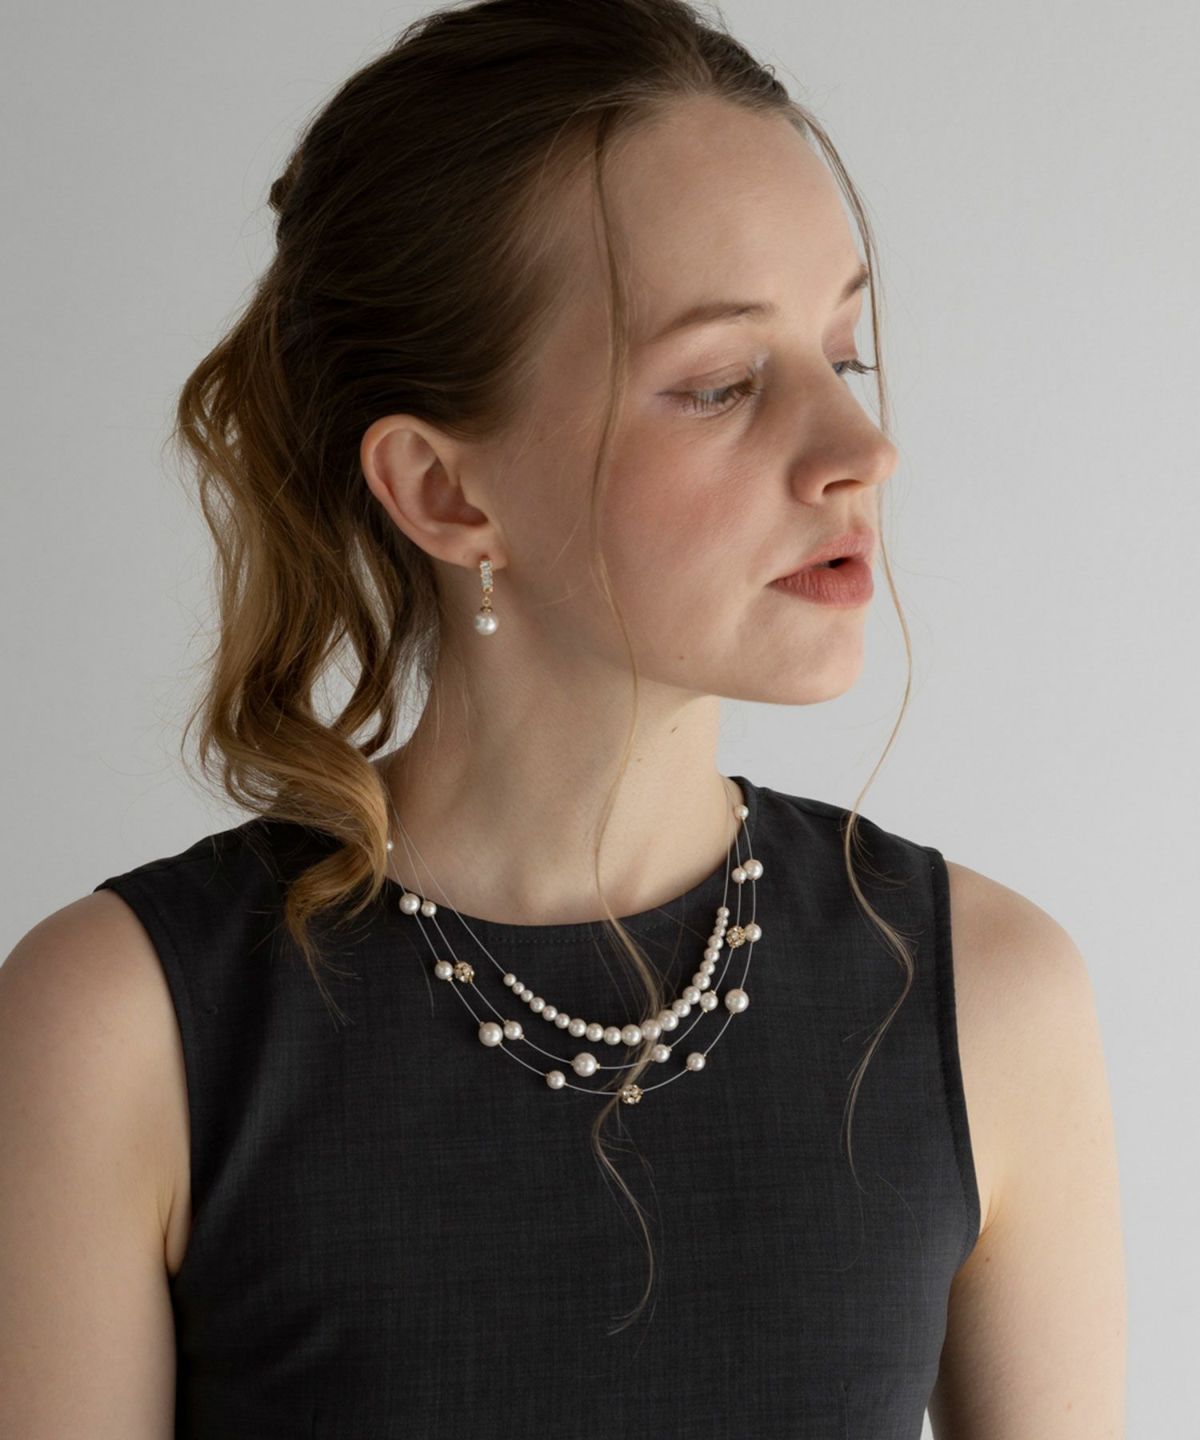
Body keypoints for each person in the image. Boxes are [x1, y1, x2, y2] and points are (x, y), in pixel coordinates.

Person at [0, 1, 1126, 1435]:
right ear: (444, 491)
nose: (863, 449)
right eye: (720, 384)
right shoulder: (123, 1025)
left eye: (843, 357)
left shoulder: (988, 999)